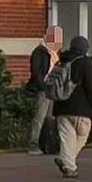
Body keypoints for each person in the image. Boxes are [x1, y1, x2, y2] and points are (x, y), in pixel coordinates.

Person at [51, 35, 92, 178]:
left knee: (67, 138)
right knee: (82, 135)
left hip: (61, 107)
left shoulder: (61, 61)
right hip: (81, 108)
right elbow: (90, 88)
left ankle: (66, 161)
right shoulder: (85, 63)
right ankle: (68, 163)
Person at [26, 25, 63, 154]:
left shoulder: (54, 54)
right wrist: (43, 86)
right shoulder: (40, 52)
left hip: (50, 89)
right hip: (43, 89)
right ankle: (33, 144)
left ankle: (47, 143)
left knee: (49, 118)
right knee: (40, 117)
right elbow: (36, 72)